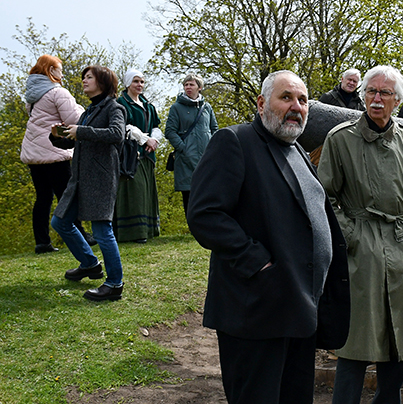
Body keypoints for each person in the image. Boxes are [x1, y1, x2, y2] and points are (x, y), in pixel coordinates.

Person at [187, 70, 349, 404]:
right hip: (256, 311)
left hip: (299, 310)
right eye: (286, 97)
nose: (296, 107)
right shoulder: (235, 141)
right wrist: (257, 262)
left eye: (302, 100)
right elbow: (205, 214)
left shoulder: (298, 151)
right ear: (262, 103)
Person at [318, 65, 403, 404]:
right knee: (355, 348)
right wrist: (351, 237)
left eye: (385, 93)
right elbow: (324, 198)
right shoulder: (340, 139)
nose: (376, 99)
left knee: (399, 348)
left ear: (397, 101)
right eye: (371, 91)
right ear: (363, 95)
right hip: (361, 253)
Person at [49, 65, 126, 301]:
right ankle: (90, 264)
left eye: (89, 77)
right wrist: (57, 136)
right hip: (80, 179)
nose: (84, 81)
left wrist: (81, 130)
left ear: (102, 82)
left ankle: (114, 284)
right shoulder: (88, 112)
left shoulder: (115, 107)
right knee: (60, 222)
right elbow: (76, 143)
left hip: (102, 178)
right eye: (84, 77)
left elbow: (116, 134)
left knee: (103, 231)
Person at [20, 55, 96, 253]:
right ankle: (81, 234)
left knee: (43, 197)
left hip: (34, 152)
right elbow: (74, 118)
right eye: (59, 69)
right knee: (67, 194)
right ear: (51, 71)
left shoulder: (32, 96)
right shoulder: (58, 93)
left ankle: (42, 241)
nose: (61, 74)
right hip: (54, 151)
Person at [114, 69, 162, 243]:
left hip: (147, 155)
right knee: (134, 192)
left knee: (146, 192)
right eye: (136, 81)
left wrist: (154, 139)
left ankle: (148, 231)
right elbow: (124, 126)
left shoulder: (147, 104)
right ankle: (133, 232)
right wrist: (145, 139)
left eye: (142, 81)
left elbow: (156, 125)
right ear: (128, 83)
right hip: (130, 154)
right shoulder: (121, 103)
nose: (139, 85)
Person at [165, 73, 218, 215]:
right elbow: (170, 131)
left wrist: (212, 149)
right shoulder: (176, 107)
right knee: (189, 195)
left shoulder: (207, 107)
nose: (188, 87)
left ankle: (207, 226)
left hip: (206, 158)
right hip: (185, 159)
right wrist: (183, 148)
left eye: (191, 84)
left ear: (199, 87)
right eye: (186, 84)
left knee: (208, 193)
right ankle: (193, 227)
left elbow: (214, 129)